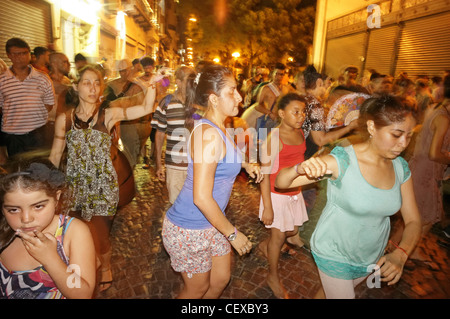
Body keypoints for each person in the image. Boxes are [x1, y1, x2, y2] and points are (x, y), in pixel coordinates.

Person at [275, 95, 422, 299]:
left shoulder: (400, 168)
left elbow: (414, 220)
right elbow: (281, 182)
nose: (404, 143)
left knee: (328, 293)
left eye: (409, 135)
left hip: (369, 255)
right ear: (372, 127)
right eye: (396, 135)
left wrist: (401, 253)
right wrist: (299, 168)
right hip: (334, 251)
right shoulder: (343, 160)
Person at [48, 64, 156, 292]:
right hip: (74, 186)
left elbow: (146, 107)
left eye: (97, 83)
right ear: (76, 87)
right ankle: (86, 262)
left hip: (103, 187)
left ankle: (105, 265)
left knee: (100, 232)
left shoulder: (108, 115)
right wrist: (48, 189)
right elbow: (56, 155)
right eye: (87, 83)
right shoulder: (65, 119)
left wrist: (150, 86)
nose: (93, 88)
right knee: (79, 230)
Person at [161, 64, 262, 299]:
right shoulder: (209, 135)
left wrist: (246, 164)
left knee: (219, 280)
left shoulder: (220, 126)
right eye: (232, 91)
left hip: (212, 222)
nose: (240, 96)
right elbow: (201, 197)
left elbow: (224, 156)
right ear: (214, 99)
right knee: (197, 289)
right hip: (190, 227)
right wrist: (233, 234)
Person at [0, 159, 96, 298]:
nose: (26, 219)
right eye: (13, 210)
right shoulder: (4, 233)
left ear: (56, 197)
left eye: (38, 206)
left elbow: (82, 295)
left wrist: (50, 258)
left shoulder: (73, 232)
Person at [258, 93, 309, 299]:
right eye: (295, 112)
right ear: (281, 113)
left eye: (303, 112)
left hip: (293, 192)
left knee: (292, 230)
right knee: (279, 238)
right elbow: (264, 175)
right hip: (275, 194)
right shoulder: (273, 139)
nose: (301, 116)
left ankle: (265, 245)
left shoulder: (300, 133)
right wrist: (268, 206)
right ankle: (272, 277)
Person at [0, 38, 55, 159]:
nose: (20, 57)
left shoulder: (43, 78)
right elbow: (1, 108)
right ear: (9, 55)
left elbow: (49, 104)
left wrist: (33, 114)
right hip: (13, 137)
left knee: (40, 170)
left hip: (38, 134)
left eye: (24, 53)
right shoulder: (2, 80)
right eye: (16, 54)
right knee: (18, 171)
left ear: (30, 54)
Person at [408, 74, 450, 235]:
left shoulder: (436, 108)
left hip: (423, 169)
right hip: (426, 172)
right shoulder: (443, 118)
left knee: (423, 217)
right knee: (423, 217)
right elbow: (434, 153)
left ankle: (409, 250)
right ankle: (401, 251)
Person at [151, 66, 196, 204]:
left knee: (197, 206)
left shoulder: (199, 104)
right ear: (179, 82)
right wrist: (159, 164)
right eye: (189, 80)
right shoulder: (167, 102)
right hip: (174, 167)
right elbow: (159, 134)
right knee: (176, 205)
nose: (192, 84)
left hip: (197, 166)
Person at [105, 59, 144, 168]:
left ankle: (129, 170)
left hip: (128, 123)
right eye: (121, 71)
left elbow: (140, 106)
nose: (124, 74)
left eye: (125, 71)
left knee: (130, 151)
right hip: (111, 123)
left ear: (130, 70)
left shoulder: (136, 86)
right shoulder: (110, 85)